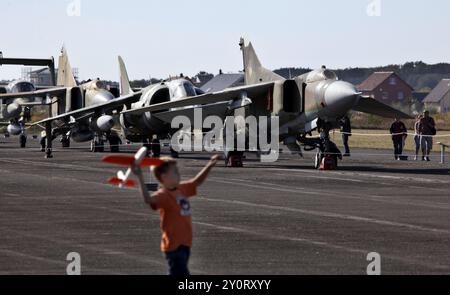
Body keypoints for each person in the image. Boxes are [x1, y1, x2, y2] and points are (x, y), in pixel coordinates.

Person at [131, 154, 220, 276]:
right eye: (175, 172)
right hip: (173, 246)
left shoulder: (181, 189)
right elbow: (148, 199)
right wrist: (140, 176)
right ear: (164, 177)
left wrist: (210, 165)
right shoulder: (163, 195)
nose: (178, 174)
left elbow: (197, 182)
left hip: (185, 243)